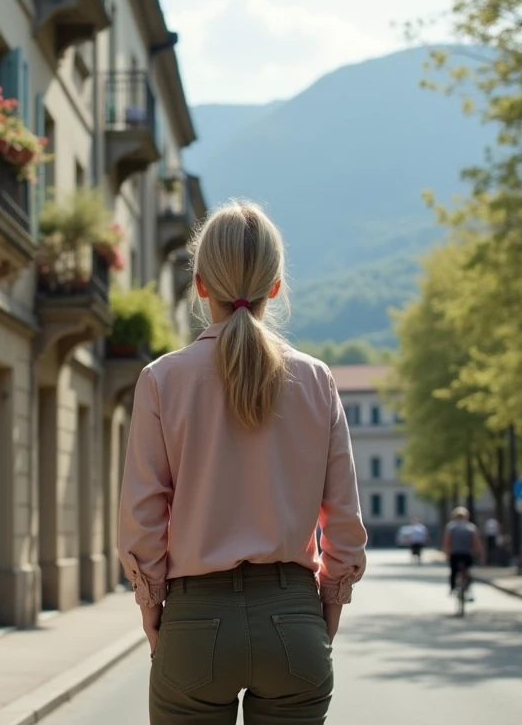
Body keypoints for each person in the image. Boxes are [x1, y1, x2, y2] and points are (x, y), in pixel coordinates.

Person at [119, 200, 368, 725]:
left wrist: (152, 610)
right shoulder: (318, 381)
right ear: (274, 286)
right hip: (292, 619)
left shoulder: (162, 380)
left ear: (201, 284)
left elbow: (142, 519)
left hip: (194, 623)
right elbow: (343, 519)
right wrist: (327, 609)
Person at [442, 508, 484, 597]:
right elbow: (476, 542)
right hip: (467, 553)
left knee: (453, 571)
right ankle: (468, 589)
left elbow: (447, 541)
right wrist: (479, 553)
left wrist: (446, 553)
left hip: (455, 553)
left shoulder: (451, 527)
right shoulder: (471, 527)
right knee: (467, 571)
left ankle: (452, 588)